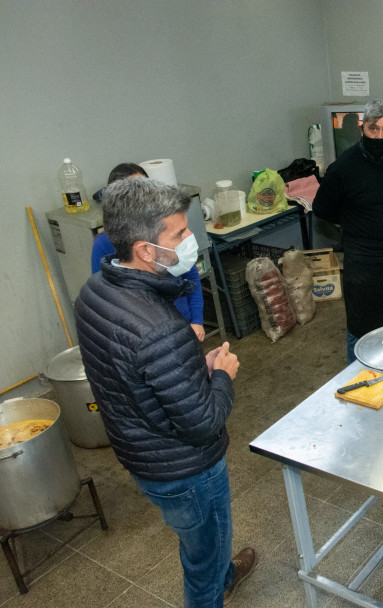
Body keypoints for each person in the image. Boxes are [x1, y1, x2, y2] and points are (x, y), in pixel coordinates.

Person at [74, 178, 256, 607]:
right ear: (145, 250)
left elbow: (131, 375)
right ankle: (214, 585)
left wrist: (193, 368)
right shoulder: (161, 327)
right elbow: (202, 423)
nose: (190, 239)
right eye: (179, 233)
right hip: (186, 469)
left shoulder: (95, 292)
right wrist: (222, 375)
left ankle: (223, 573)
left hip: (143, 456)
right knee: (203, 557)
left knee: (198, 542)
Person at [313, 99, 383, 362]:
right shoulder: (344, 167)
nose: (380, 136)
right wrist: (354, 220)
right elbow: (322, 208)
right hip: (364, 263)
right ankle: (357, 380)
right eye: (373, 129)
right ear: (362, 128)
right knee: (362, 329)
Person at [91, 163, 206, 341]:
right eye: (179, 235)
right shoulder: (150, 325)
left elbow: (191, 276)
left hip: (182, 324)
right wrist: (221, 371)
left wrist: (196, 320)